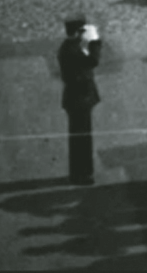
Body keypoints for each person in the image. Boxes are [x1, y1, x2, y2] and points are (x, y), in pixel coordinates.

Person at [59, 15, 101, 185]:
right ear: (78, 32)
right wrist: (95, 41)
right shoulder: (71, 50)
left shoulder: (70, 46)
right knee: (82, 140)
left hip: (78, 98)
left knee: (80, 138)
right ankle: (81, 175)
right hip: (80, 98)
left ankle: (81, 173)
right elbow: (93, 61)